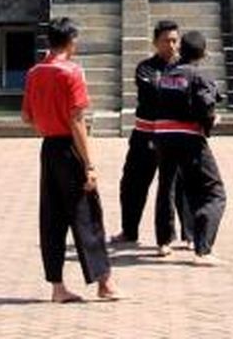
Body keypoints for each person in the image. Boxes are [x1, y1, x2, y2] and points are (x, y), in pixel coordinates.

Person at [21, 17, 121, 303]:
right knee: (87, 214)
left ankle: (57, 286)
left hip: (49, 148)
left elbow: (27, 117)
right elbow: (77, 119)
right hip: (69, 148)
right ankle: (105, 283)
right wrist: (89, 164)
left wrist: (47, 123)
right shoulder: (72, 72)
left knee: (51, 217)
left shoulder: (34, 72)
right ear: (71, 41)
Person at [110, 20, 193, 253]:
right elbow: (153, 91)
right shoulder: (145, 67)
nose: (171, 45)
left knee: (180, 186)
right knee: (132, 184)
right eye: (166, 40)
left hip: (175, 137)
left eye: (175, 40)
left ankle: (190, 235)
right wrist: (179, 87)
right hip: (145, 135)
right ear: (155, 42)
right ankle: (129, 231)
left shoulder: (185, 66)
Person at [153, 30, 227, 266]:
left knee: (172, 186)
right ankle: (203, 249)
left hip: (163, 138)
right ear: (204, 53)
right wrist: (210, 122)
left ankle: (175, 238)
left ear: (181, 50)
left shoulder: (166, 75)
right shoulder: (198, 76)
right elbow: (206, 106)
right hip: (188, 138)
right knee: (214, 192)